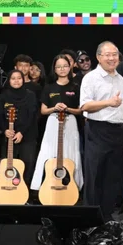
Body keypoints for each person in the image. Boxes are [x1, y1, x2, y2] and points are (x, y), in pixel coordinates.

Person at [80, 41, 123, 220]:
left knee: (112, 177)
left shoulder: (120, 78)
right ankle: (90, 219)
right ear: (98, 57)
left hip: (118, 132)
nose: (111, 58)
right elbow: (85, 105)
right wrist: (108, 102)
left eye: (114, 54)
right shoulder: (91, 78)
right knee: (95, 176)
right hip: (98, 130)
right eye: (107, 55)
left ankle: (107, 217)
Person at [32, 55, 84, 193]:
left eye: (65, 66)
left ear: (70, 67)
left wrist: (68, 109)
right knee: (48, 150)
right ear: (54, 69)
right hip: (53, 122)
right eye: (59, 67)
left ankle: (73, 186)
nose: (62, 69)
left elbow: (80, 110)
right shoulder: (49, 87)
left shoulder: (76, 87)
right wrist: (54, 108)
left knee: (71, 151)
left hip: (70, 122)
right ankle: (44, 185)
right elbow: (43, 110)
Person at [0, 70, 39, 197]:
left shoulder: (30, 95)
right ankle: (8, 194)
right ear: (9, 80)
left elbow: (32, 116)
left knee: (28, 164)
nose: (16, 81)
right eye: (13, 78)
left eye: (19, 78)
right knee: (8, 165)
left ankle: (25, 194)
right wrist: (5, 130)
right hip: (9, 136)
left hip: (28, 135)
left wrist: (21, 132)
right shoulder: (3, 96)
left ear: (23, 79)